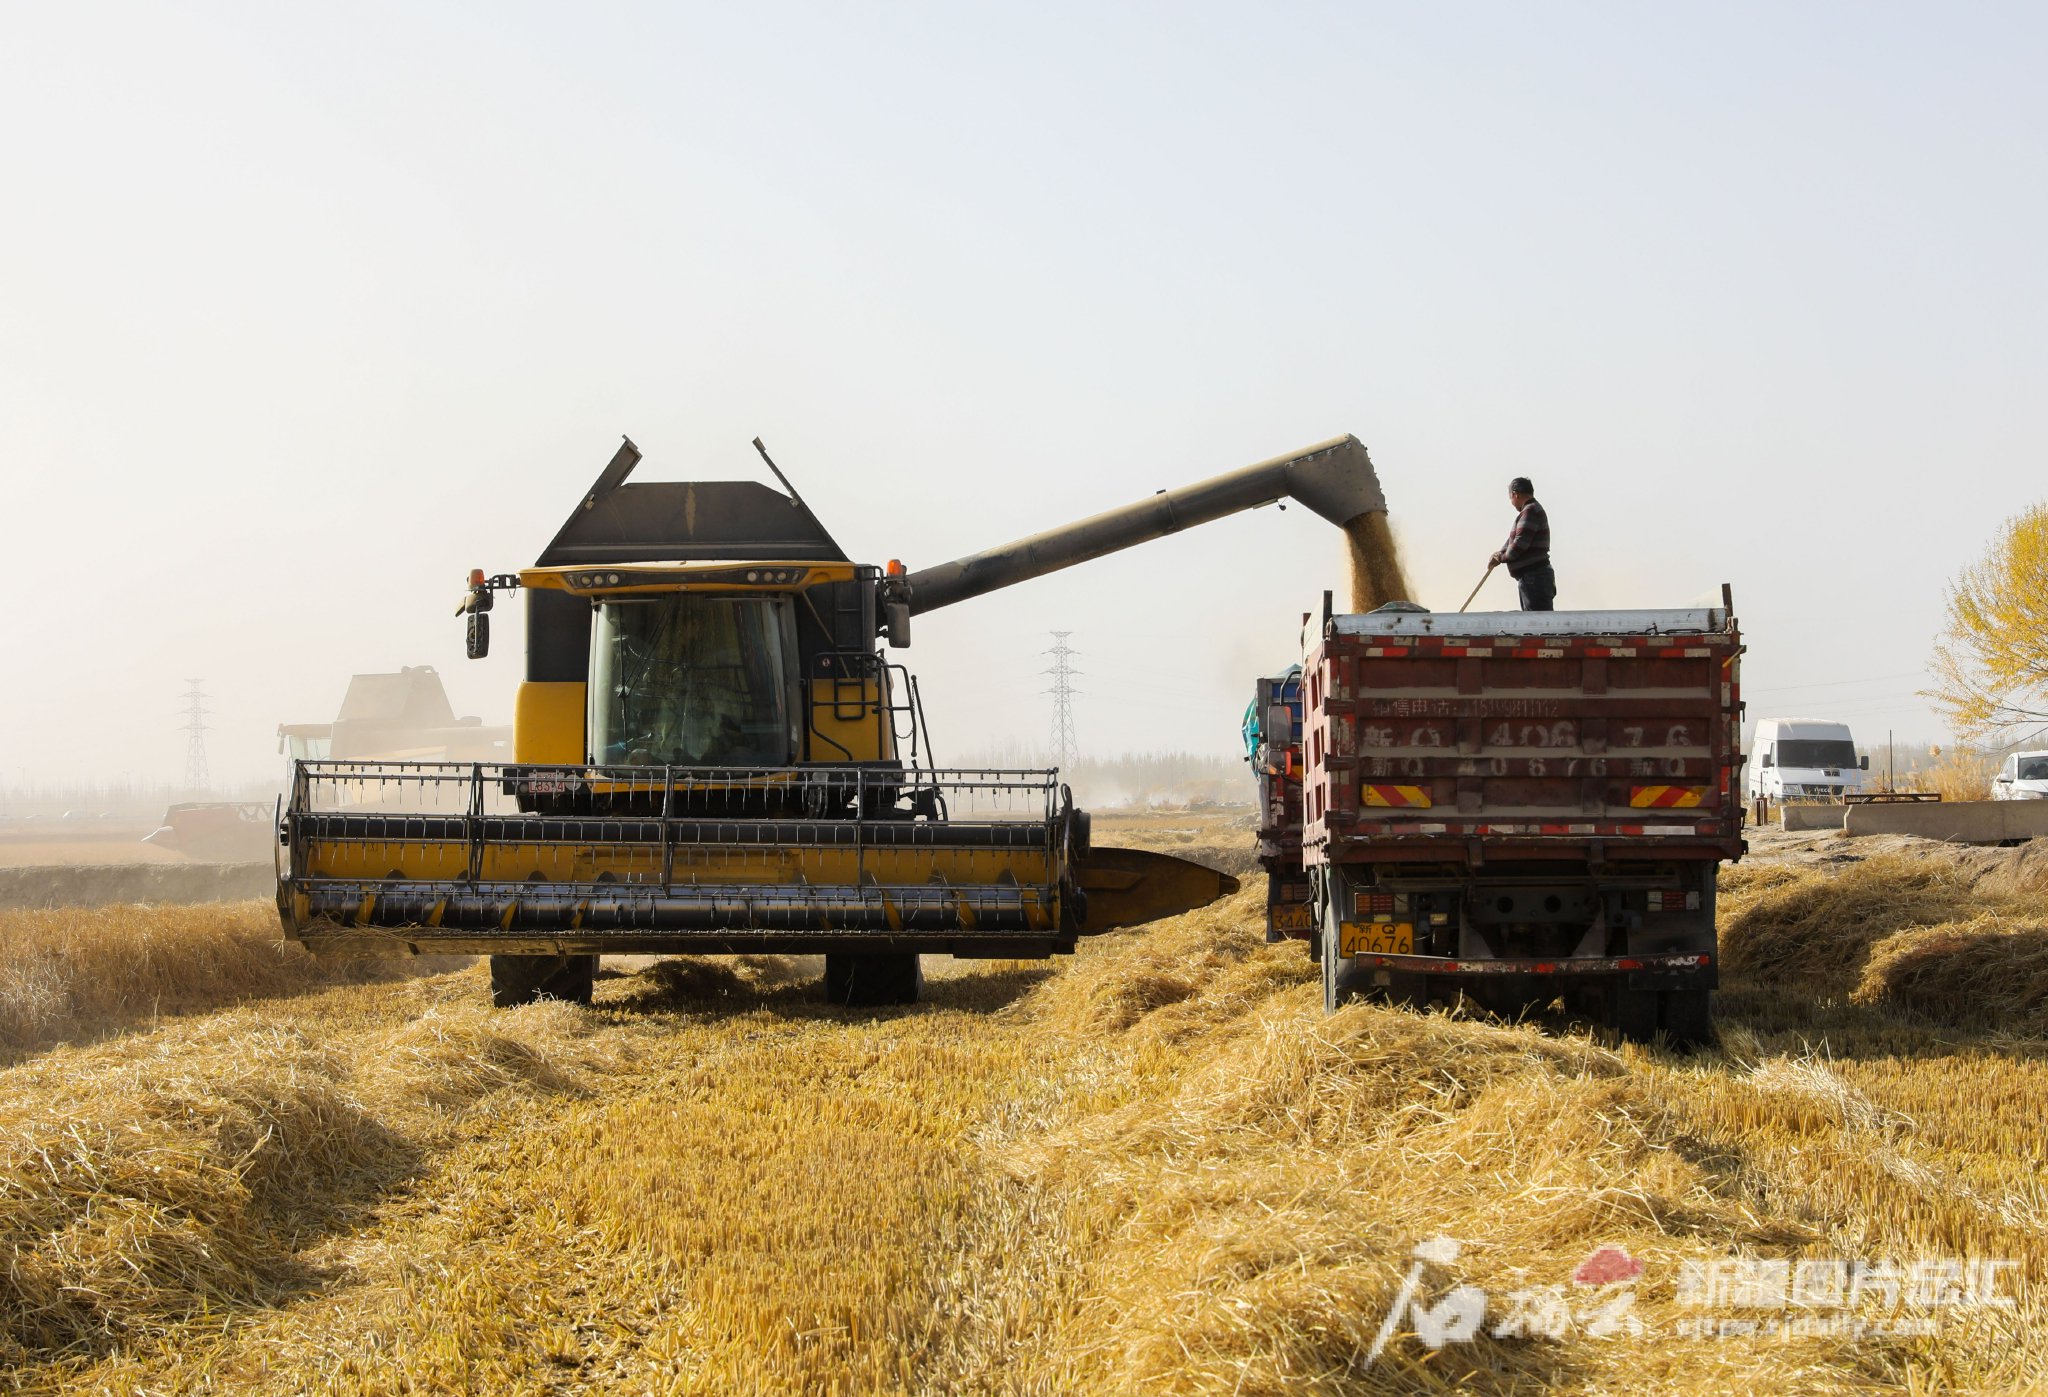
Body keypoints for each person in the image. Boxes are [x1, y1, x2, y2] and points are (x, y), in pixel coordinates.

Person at [1489, 476, 1555, 611]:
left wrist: (1501, 558)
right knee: (1534, 623)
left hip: (1534, 578)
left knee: (1536, 625)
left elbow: (1519, 544)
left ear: (1515, 494)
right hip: (1532, 578)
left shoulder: (1530, 511)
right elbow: (1512, 540)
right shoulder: (1530, 511)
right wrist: (1500, 553)